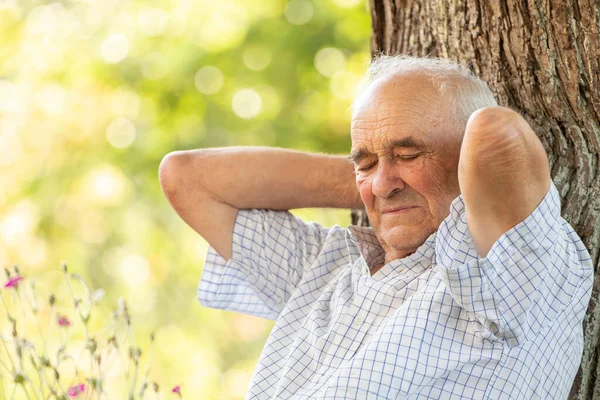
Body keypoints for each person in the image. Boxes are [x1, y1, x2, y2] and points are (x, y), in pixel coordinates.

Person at [158, 55, 593, 399]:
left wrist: (429, 183)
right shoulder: (330, 265)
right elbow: (187, 178)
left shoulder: (512, 273)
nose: (382, 181)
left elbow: (496, 131)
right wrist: (379, 184)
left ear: (465, 163)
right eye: (362, 162)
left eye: (409, 154)